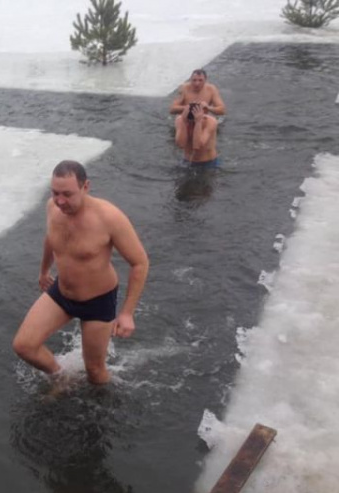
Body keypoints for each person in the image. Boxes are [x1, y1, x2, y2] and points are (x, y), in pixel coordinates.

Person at [12, 160, 149, 384]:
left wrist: (127, 313)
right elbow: (50, 238)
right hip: (62, 293)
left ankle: (104, 408)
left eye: (67, 194)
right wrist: (44, 270)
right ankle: (61, 377)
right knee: (24, 346)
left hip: (97, 301)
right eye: (55, 193)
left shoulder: (109, 217)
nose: (60, 201)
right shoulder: (52, 207)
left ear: (86, 187)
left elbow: (140, 263)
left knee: (95, 372)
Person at [174, 102, 219, 168]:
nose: (191, 124)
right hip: (187, 162)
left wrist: (198, 122)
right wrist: (184, 122)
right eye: (189, 121)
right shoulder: (180, 120)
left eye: (193, 122)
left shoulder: (211, 122)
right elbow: (181, 144)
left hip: (208, 162)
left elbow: (197, 146)